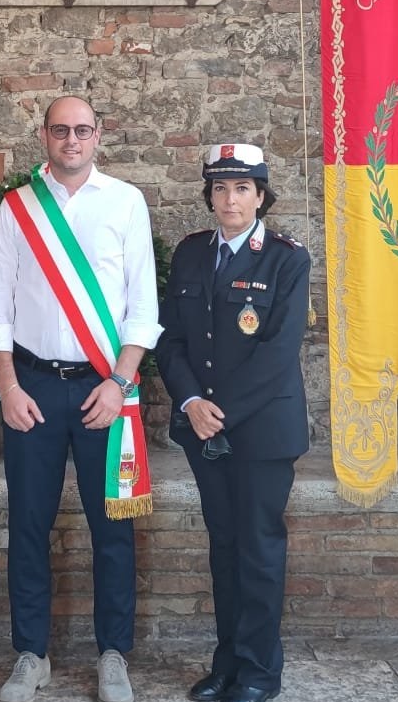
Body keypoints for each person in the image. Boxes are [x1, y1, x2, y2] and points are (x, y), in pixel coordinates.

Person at [0, 95, 161, 702]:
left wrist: (120, 382)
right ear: (44, 136)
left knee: (113, 527)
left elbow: (144, 307)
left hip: (103, 389)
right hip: (30, 388)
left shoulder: (126, 202)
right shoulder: (17, 207)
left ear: (99, 135)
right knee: (28, 524)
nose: (72, 140)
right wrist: (7, 386)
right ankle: (31, 654)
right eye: (61, 130)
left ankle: (113, 654)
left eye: (83, 130)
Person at [156, 143, 309, 702]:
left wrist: (218, 412)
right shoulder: (192, 253)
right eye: (220, 188)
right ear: (210, 196)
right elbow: (171, 338)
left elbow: (278, 351)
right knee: (223, 546)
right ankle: (226, 663)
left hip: (262, 430)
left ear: (261, 196)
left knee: (258, 548)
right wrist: (191, 402)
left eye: (242, 188)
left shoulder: (287, 259)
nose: (230, 199)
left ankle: (259, 672)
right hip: (203, 427)